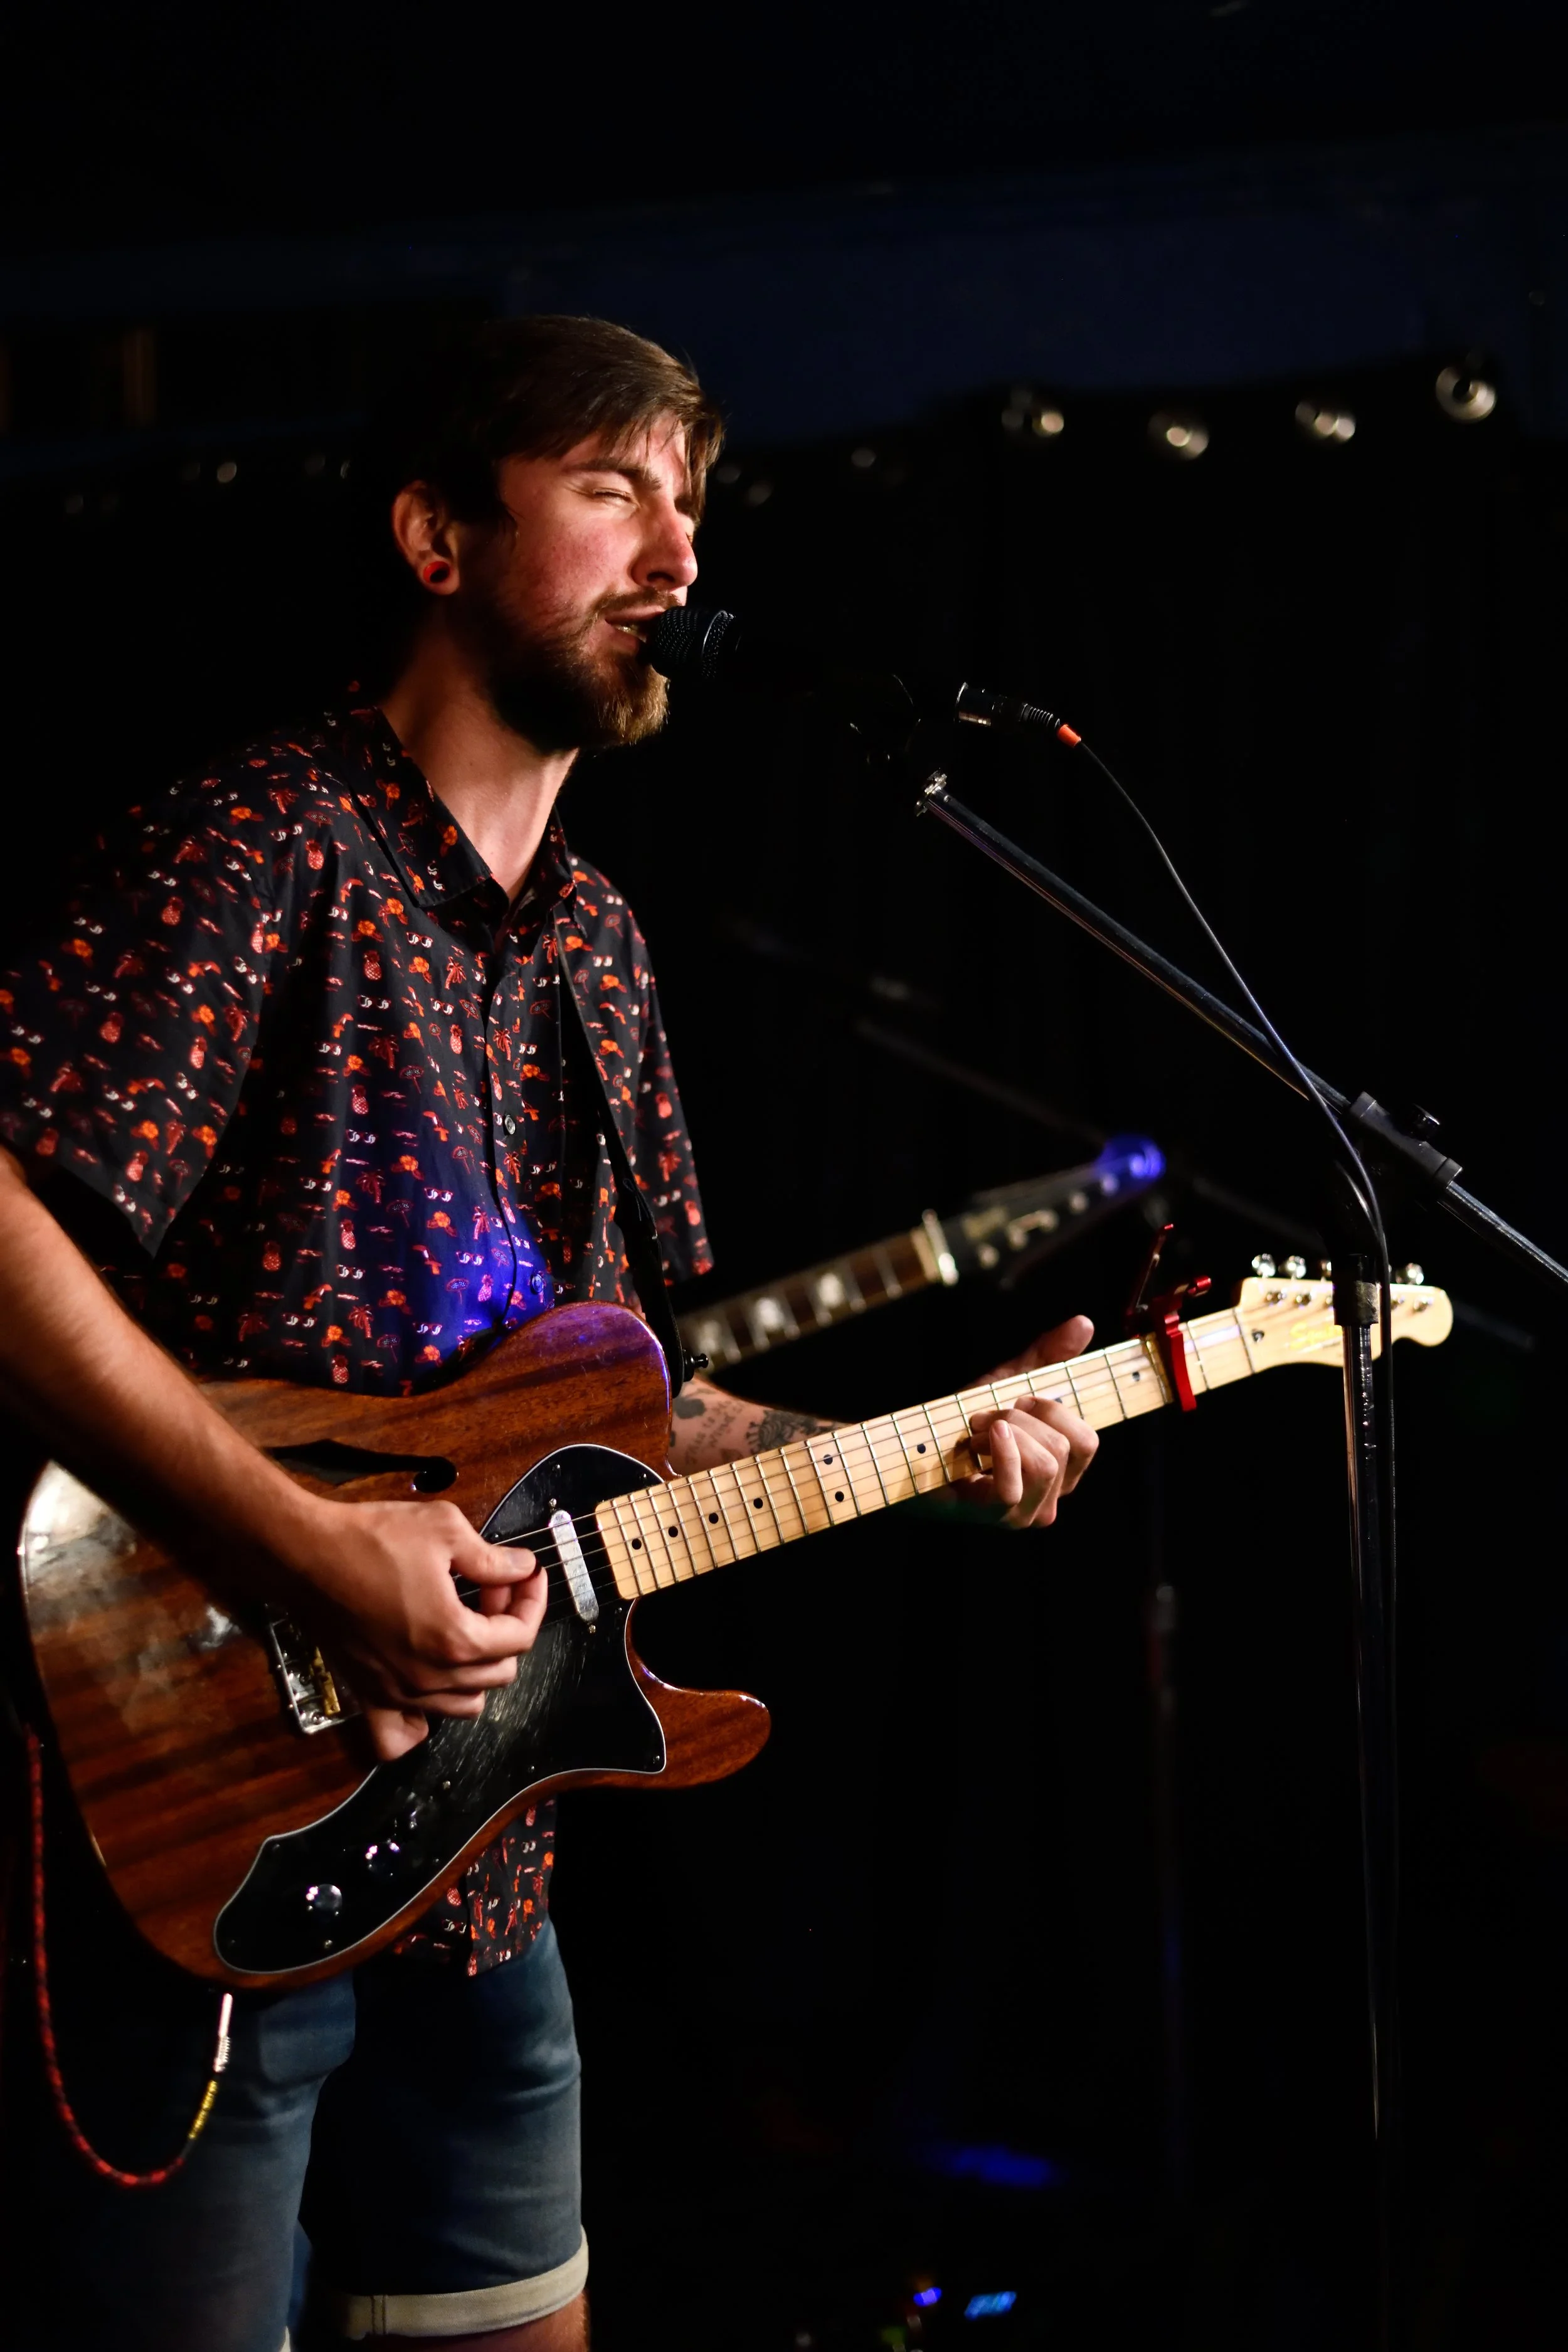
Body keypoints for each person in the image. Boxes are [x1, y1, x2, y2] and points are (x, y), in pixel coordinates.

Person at [0, 315, 1098, 2352]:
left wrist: (935, 1452)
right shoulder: (262, 843)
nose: (677, 555)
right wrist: (309, 1546)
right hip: (206, 1836)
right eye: (612, 490)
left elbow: (640, 1412)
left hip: (487, 1869)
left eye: (692, 502)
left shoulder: (599, 944)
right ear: (438, 536)